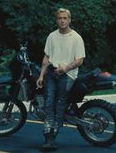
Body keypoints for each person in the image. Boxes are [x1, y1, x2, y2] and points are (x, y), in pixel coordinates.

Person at [36, 8, 85, 151]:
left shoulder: (76, 38)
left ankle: (53, 137)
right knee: (48, 103)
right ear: (56, 20)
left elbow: (80, 60)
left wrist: (66, 68)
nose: (62, 20)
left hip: (68, 74)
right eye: (59, 18)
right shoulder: (52, 36)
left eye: (65, 18)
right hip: (52, 72)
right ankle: (47, 136)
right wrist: (41, 75)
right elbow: (47, 58)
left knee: (59, 104)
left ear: (69, 20)